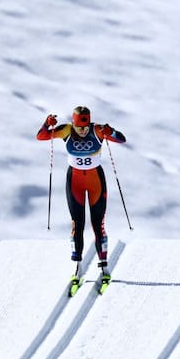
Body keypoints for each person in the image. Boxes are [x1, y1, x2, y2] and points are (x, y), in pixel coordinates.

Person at [36, 106, 127, 277]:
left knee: (97, 224)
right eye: (79, 127)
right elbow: (41, 136)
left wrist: (111, 131)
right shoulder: (66, 130)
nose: (83, 131)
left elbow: (121, 139)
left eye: (85, 127)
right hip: (75, 182)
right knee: (77, 224)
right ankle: (78, 267)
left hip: (95, 181)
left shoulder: (97, 130)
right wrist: (47, 124)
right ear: (73, 123)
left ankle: (104, 268)